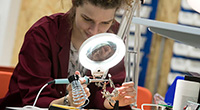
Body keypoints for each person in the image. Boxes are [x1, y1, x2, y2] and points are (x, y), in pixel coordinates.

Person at [0, 0, 136, 109]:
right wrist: (68, 102)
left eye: (105, 22)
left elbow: (110, 86)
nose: (95, 31)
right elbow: (35, 96)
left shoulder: (112, 37)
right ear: (75, 5)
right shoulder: (43, 34)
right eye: (87, 19)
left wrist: (112, 100)